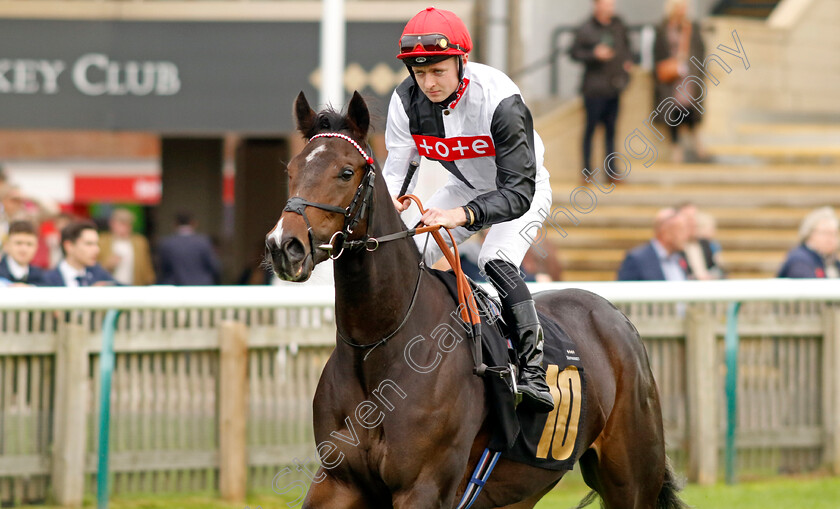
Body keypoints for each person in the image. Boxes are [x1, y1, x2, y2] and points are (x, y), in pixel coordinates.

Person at [383, 7, 554, 412]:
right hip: (463, 186)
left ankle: (533, 371)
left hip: (520, 189)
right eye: (419, 73)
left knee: (495, 258)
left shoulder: (501, 98)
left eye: (438, 71)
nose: (428, 83)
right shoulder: (405, 100)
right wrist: (387, 205)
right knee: (413, 254)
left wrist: (462, 216)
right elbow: (397, 171)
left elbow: (517, 192)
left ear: (462, 60)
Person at [570, 0, 633, 174]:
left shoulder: (618, 26)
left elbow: (627, 48)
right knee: (590, 130)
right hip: (594, 89)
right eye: (606, 4)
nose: (610, 8)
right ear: (596, 5)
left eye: (612, 4)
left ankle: (611, 171)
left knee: (611, 131)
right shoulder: (586, 28)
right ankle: (587, 171)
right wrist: (594, 54)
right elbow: (574, 53)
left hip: (614, 86)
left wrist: (627, 63)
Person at [653, 0, 706, 163]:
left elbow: (701, 50)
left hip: (688, 76)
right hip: (671, 78)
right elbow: (657, 53)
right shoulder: (663, 28)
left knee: (690, 107)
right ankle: (676, 147)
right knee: (672, 110)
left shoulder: (691, 27)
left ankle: (695, 139)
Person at [617, 207, 691, 281]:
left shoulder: (679, 257)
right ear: (665, 232)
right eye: (681, 230)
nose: (686, 236)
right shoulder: (637, 260)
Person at [42, 220, 117, 287]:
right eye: (89, 244)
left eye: (97, 244)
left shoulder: (98, 274)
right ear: (69, 246)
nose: (97, 249)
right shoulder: (47, 280)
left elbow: (124, 288)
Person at [156, 212, 221, 286]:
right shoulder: (204, 242)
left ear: (175, 224)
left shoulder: (166, 243)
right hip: (201, 287)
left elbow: (163, 269)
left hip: (176, 287)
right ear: (194, 223)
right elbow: (214, 267)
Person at [98, 208, 156, 285]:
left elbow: (147, 267)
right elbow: (94, 267)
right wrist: (108, 264)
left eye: (127, 224)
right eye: (121, 224)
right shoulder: (102, 241)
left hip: (135, 286)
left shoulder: (140, 242)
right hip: (110, 287)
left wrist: (150, 282)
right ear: (112, 224)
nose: (124, 227)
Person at [778, 206, 840, 278]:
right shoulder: (799, 261)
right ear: (810, 234)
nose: (831, 238)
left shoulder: (832, 261)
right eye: (826, 233)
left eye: (834, 233)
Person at [678, 202, 724, 279]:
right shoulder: (676, 248)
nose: (693, 222)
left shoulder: (705, 244)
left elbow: (719, 270)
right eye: (688, 219)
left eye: (694, 217)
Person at [0, 220, 45, 286]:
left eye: (29, 244)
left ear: (36, 247)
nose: (24, 249)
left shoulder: (41, 277)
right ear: (7, 245)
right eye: (18, 243)